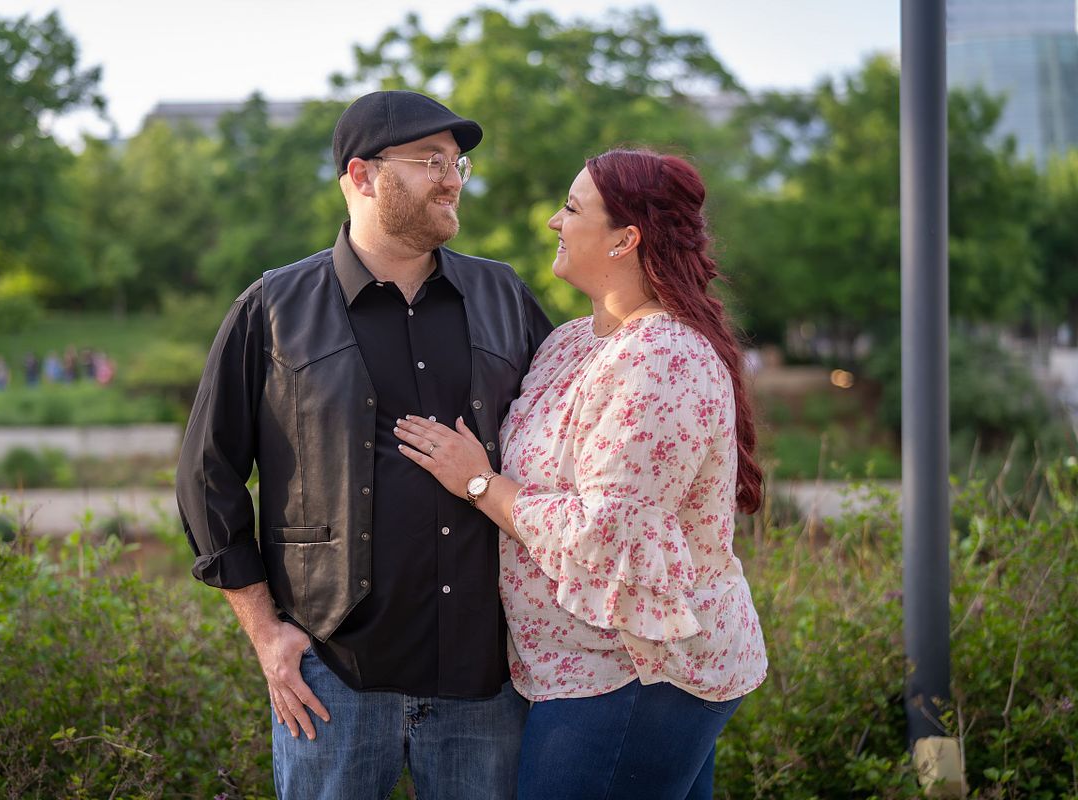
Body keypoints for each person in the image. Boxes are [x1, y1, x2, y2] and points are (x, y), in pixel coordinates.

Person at [176, 90, 554, 800]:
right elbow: (207, 476)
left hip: (489, 679)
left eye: (457, 162)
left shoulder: (506, 296)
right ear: (362, 175)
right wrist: (265, 633)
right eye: (428, 160)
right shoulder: (272, 309)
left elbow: (572, 440)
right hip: (331, 677)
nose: (452, 178)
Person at [394, 148, 768, 799]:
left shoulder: (663, 356)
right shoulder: (572, 342)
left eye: (571, 208)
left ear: (625, 238)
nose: (552, 222)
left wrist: (480, 485)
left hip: (637, 674)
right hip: (584, 673)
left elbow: (607, 530)